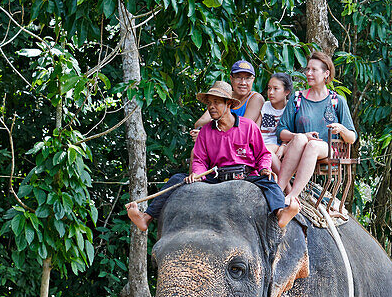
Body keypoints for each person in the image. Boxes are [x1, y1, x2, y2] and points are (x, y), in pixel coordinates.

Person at [127, 81, 299, 232]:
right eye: (209, 103)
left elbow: (263, 154)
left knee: (270, 184)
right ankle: (146, 218)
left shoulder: (248, 126)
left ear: (229, 104)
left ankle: (281, 212)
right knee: (176, 180)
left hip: (247, 176)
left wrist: (263, 168)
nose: (211, 107)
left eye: (216, 102)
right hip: (216, 177)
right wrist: (197, 173)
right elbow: (200, 159)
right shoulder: (205, 132)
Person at [276, 50, 357, 202]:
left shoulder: (337, 101)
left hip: (326, 149)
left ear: (326, 73)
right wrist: (298, 136)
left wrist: (342, 129)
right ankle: (278, 189)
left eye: (314, 70)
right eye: (307, 69)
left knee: (312, 145)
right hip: (299, 146)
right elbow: (281, 131)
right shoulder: (297, 98)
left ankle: (292, 195)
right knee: (300, 138)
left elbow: (352, 137)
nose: (308, 73)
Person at [191, 60, 264, 137]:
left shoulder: (255, 98)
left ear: (253, 79)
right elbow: (199, 123)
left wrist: (208, 135)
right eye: (238, 77)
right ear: (231, 78)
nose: (243, 83)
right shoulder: (224, 96)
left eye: (248, 78)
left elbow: (242, 130)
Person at [259, 73, 293, 173]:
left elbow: (292, 130)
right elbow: (256, 128)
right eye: (269, 88)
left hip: (277, 145)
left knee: (266, 152)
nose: (271, 92)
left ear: (286, 92)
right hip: (261, 143)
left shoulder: (290, 109)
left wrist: (283, 146)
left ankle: (286, 187)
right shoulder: (265, 106)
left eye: (275, 88)